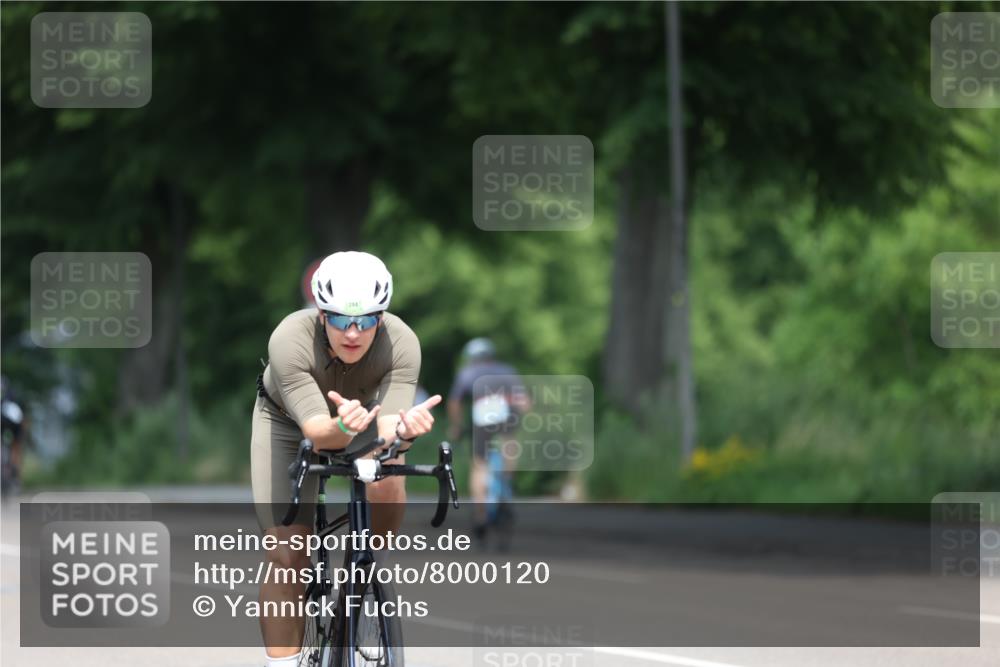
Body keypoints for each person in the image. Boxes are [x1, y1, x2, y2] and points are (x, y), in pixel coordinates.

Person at [251, 251, 441, 667]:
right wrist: (344, 428)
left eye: (367, 319)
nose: (353, 332)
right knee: (288, 557)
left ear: (381, 316)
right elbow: (318, 432)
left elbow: (389, 426)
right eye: (339, 319)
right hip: (287, 422)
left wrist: (403, 433)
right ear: (321, 314)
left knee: (387, 471)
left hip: (364, 416)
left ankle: (365, 571)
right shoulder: (289, 338)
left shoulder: (402, 342)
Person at [447, 338, 529, 541]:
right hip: (507, 414)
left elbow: (455, 402)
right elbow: (524, 401)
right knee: (510, 442)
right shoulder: (507, 370)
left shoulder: (467, 373)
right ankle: (508, 478)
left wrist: (457, 427)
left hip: (482, 417)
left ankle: (481, 514)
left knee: (479, 465)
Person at [1, 376, 26, 499]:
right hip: (10, 426)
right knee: (15, 449)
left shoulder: (12, 406)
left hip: (13, 427)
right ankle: (15, 477)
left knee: (15, 450)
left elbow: (19, 424)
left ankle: (15, 477)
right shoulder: (12, 403)